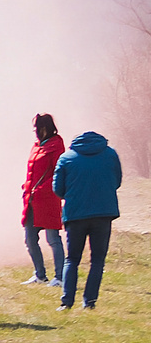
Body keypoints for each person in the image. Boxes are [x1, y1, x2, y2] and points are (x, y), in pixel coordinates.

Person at [53, 127, 123, 311]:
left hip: (76, 215)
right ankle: (89, 302)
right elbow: (117, 181)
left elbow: (58, 189)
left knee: (72, 259)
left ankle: (66, 302)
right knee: (98, 259)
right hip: (103, 214)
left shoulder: (67, 158)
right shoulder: (110, 154)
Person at [21, 113, 66, 287]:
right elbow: (31, 173)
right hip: (32, 201)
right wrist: (26, 187)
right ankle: (40, 274)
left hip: (48, 200)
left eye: (36, 128)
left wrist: (40, 190)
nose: (35, 132)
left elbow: (57, 172)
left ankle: (60, 277)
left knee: (53, 238)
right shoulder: (36, 147)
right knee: (30, 238)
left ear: (44, 128)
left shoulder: (57, 146)